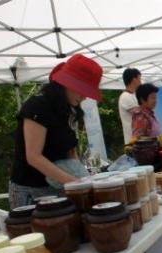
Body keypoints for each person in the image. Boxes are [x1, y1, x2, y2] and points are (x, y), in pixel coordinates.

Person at [9, 54, 103, 209]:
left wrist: (81, 176)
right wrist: (74, 182)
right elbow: (33, 157)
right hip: (30, 191)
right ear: (66, 83)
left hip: (59, 186)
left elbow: (70, 151)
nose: (84, 96)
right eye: (82, 89)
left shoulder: (69, 110)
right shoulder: (38, 106)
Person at [119, 68, 142, 144]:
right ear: (134, 79)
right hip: (133, 142)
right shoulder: (125, 96)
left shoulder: (133, 95)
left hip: (138, 140)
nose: (140, 81)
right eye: (139, 78)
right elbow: (141, 115)